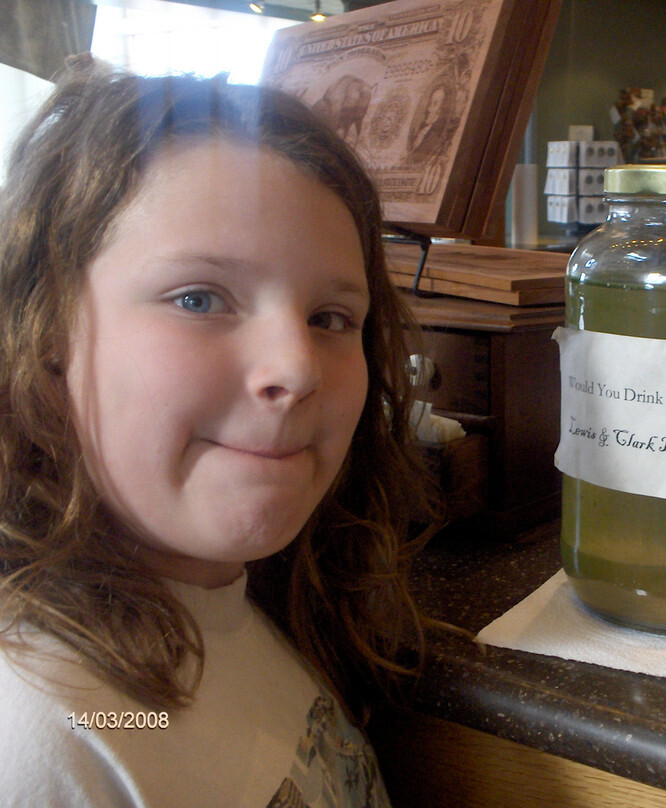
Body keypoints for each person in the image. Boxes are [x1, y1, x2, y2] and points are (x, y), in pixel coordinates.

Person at [0, 59, 436, 807]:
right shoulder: (39, 738)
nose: (297, 368)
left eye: (331, 319)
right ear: (44, 343)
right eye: (199, 298)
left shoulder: (261, 596)